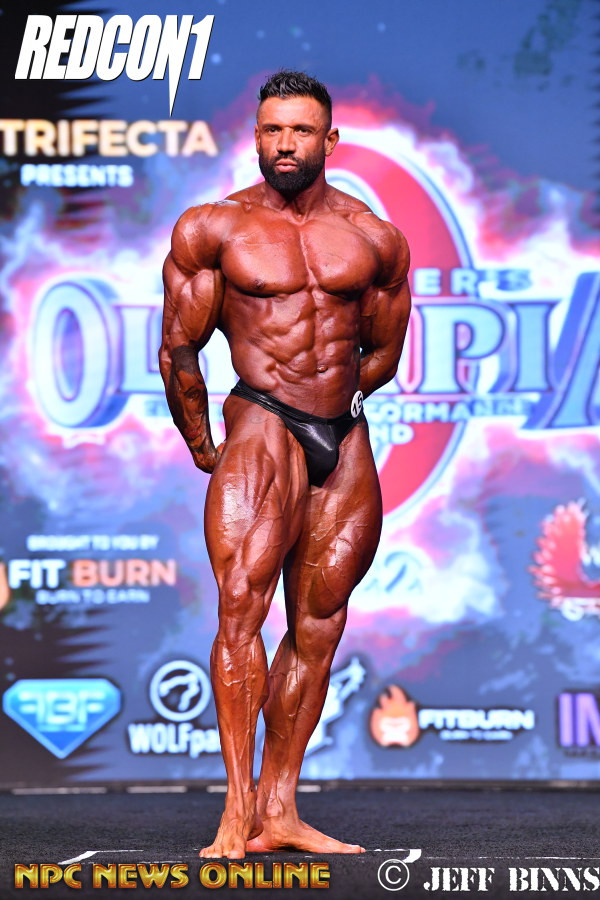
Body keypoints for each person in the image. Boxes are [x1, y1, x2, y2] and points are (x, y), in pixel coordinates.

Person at [159, 70, 411, 859]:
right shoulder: (215, 228)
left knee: (319, 625)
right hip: (261, 420)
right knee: (242, 607)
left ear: (329, 139)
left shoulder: (373, 236)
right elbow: (179, 350)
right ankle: (236, 810)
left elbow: (385, 349)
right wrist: (205, 442)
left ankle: (280, 808)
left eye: (301, 131)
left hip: (344, 431)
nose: (286, 145)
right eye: (272, 131)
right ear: (256, 137)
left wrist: (339, 403)